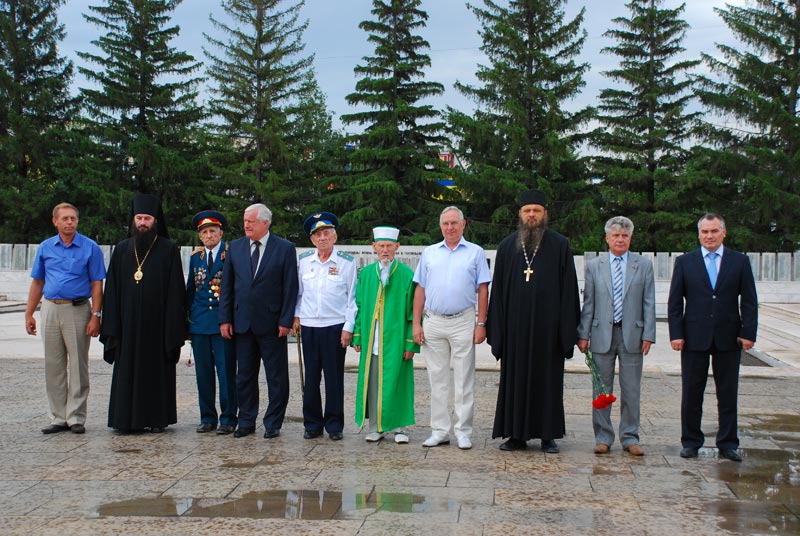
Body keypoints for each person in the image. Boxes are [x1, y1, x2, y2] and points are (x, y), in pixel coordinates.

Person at [487, 189, 580, 454]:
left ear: (544, 214)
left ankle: (547, 435)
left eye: (536, 211)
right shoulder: (507, 247)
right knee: (514, 381)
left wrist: (566, 332)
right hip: (516, 332)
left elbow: (569, 290)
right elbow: (499, 294)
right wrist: (499, 331)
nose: (531, 215)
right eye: (527, 210)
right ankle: (516, 435)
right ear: (520, 214)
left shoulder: (560, 245)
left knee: (548, 382)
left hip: (547, 332)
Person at [668, 213, 757, 462]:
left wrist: (748, 332)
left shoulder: (739, 261)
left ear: (723, 233)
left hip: (728, 337)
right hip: (694, 336)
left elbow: (749, 301)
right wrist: (676, 334)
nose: (709, 236)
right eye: (705, 232)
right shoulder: (686, 262)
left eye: (714, 231)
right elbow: (675, 302)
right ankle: (691, 442)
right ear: (699, 234)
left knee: (728, 393)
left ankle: (728, 443)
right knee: (692, 392)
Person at [100, 193, 186, 433]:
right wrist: (112, 328)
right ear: (133, 220)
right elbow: (112, 292)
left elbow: (176, 292)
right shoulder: (122, 249)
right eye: (139, 218)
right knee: (127, 373)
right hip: (127, 329)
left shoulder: (168, 250)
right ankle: (125, 420)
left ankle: (157, 419)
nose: (142, 223)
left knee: (156, 374)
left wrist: (173, 329)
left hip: (157, 329)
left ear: (155, 220)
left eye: (147, 218)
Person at [412, 206, 491, 451]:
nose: (450, 227)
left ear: (463, 224)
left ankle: (463, 431)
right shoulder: (430, 253)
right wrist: (416, 322)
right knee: (437, 379)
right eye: (445, 223)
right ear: (440, 226)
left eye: (454, 223)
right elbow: (420, 289)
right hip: (433, 321)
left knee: (464, 378)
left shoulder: (475, 253)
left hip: (463, 321)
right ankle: (439, 431)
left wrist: (481, 323)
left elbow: (483, 289)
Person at [577, 216, 655, 456]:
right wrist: (583, 334)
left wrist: (649, 334)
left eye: (624, 236)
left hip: (632, 334)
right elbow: (588, 302)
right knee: (602, 389)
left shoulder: (642, 265)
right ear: (607, 239)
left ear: (630, 238)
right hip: (602, 334)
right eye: (616, 236)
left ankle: (630, 437)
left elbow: (649, 301)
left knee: (631, 389)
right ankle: (603, 437)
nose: (620, 240)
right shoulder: (594, 265)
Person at [25, 203, 106, 435]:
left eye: (73, 218)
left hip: (78, 309)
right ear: (55, 222)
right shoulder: (46, 247)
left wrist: (96, 316)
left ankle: (76, 417)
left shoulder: (90, 248)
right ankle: (58, 416)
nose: (70, 222)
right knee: (54, 364)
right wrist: (29, 312)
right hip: (50, 308)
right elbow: (38, 282)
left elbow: (96, 284)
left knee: (78, 365)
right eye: (65, 219)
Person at [219, 203, 298, 439]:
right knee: (244, 376)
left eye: (251, 221)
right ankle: (246, 420)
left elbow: (290, 287)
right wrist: (225, 319)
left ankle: (273, 422)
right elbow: (227, 287)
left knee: (276, 376)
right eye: (245, 221)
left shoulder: (284, 248)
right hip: (242, 323)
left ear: (265, 223)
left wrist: (285, 320)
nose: (246, 225)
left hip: (273, 324)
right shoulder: (235, 247)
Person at [293, 212, 357, 441]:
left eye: (327, 233)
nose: (323, 238)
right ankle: (312, 424)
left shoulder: (346, 263)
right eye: (318, 235)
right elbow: (298, 294)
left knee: (334, 378)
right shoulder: (304, 262)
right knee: (310, 378)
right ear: (312, 240)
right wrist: (296, 317)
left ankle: (334, 425)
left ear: (335, 236)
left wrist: (348, 327)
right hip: (309, 326)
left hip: (334, 326)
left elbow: (353, 299)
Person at [353, 226, 420, 444]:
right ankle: (376, 427)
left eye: (389, 246)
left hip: (397, 339)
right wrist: (358, 335)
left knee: (398, 383)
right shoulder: (366, 274)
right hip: (373, 339)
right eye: (381, 246)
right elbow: (360, 306)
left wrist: (410, 342)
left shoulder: (407, 275)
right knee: (373, 384)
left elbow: (413, 311)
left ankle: (400, 428)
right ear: (373, 247)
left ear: (397, 247)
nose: (385, 250)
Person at [186, 210, 237, 435]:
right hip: (199, 324)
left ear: (220, 232)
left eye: (212, 231)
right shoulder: (195, 258)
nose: (209, 235)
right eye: (204, 232)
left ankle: (228, 418)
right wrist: (187, 322)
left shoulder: (231, 254)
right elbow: (191, 290)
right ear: (200, 236)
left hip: (222, 323)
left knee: (226, 373)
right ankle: (207, 417)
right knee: (203, 374)